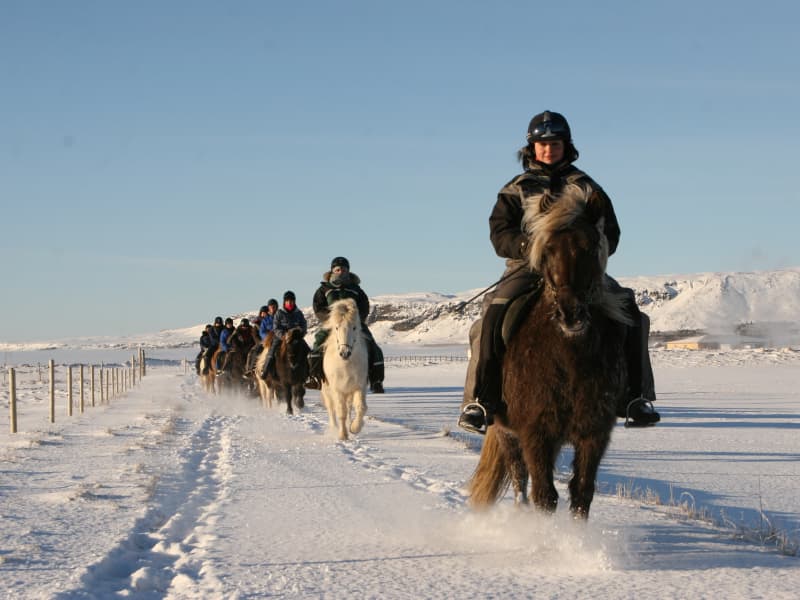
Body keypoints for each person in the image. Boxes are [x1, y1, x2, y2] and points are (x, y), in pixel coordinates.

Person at [457, 110, 659, 434]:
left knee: (632, 312)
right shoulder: (516, 189)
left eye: (555, 143)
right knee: (491, 317)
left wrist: (594, 253)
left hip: (580, 269)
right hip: (527, 267)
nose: (549, 149)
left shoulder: (588, 187)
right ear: (531, 148)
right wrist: (527, 248)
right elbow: (499, 233)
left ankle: (636, 397)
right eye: (542, 144)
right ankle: (481, 400)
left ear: (566, 145)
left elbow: (611, 231)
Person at [307, 256, 385, 393]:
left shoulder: (356, 289)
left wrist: (356, 319)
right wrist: (331, 319)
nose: (340, 272)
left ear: (348, 271)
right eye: (337, 269)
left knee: (373, 346)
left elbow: (364, 306)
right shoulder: (324, 289)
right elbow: (318, 308)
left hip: (353, 324)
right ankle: (315, 377)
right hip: (332, 324)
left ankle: (376, 380)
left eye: (343, 269)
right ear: (332, 271)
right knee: (317, 345)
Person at [259, 291, 308, 379]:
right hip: (281, 337)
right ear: (284, 302)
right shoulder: (280, 313)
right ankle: (265, 370)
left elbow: (303, 324)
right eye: (287, 301)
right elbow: (276, 327)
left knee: (307, 350)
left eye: (291, 301)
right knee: (272, 350)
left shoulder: (298, 313)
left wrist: (301, 332)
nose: (289, 303)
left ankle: (310, 374)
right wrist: (283, 335)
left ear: (294, 301)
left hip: (295, 337)